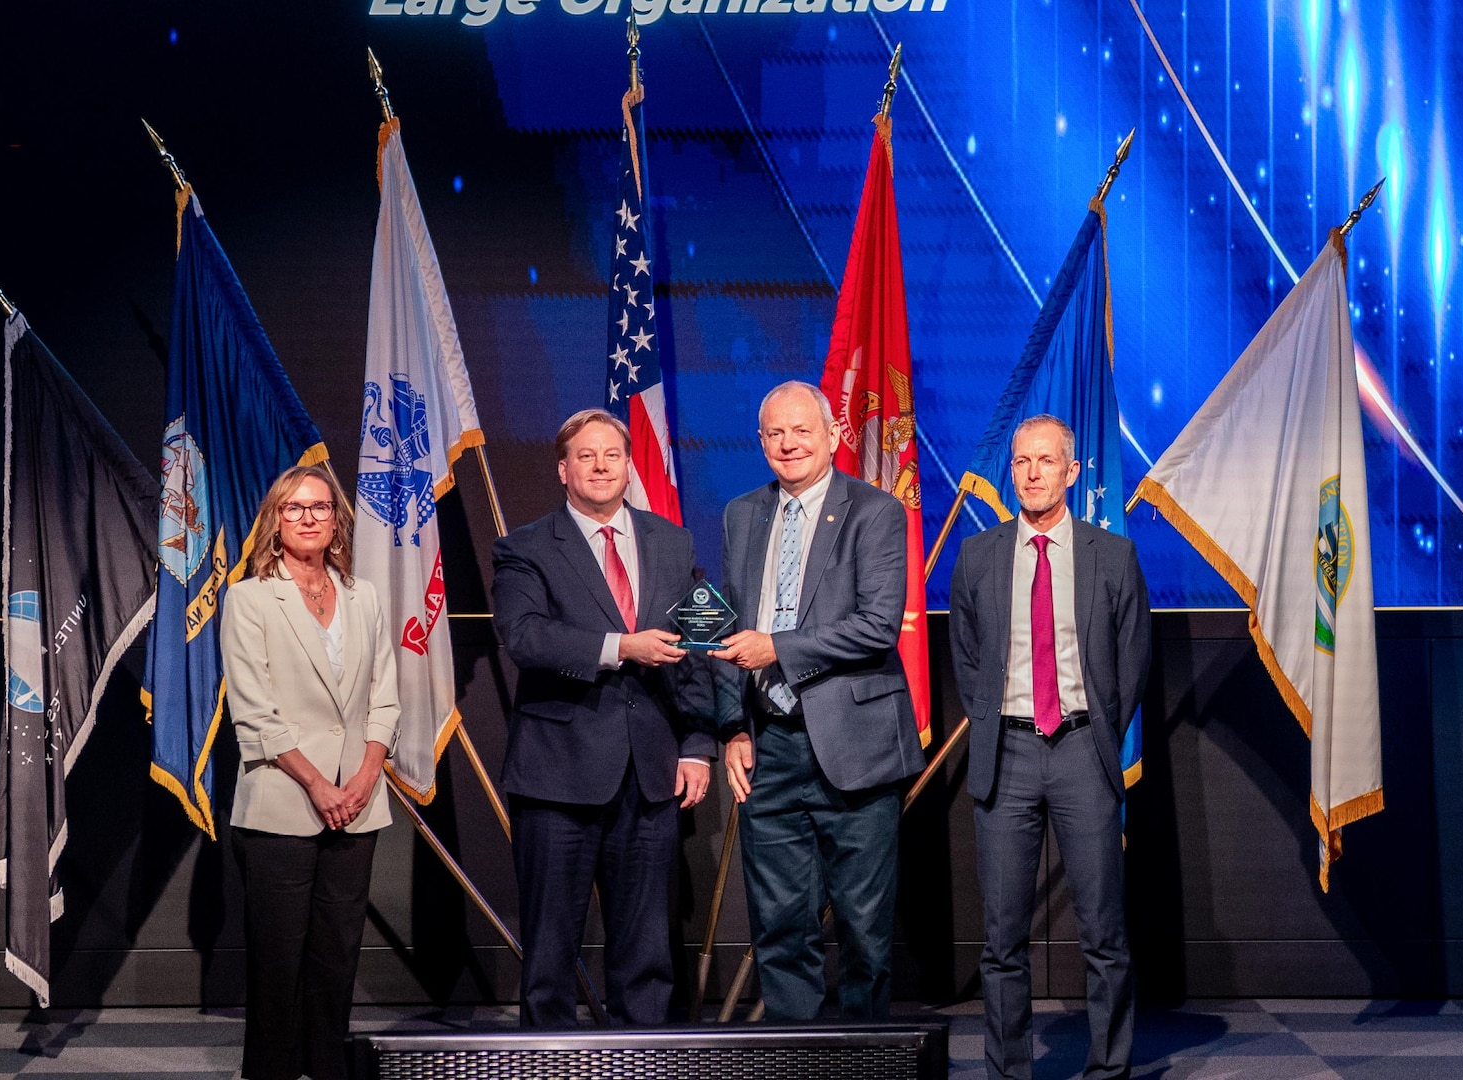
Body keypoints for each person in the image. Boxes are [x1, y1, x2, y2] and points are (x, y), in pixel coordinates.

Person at [492, 408, 715, 1028]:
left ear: (628, 465)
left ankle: (641, 1065)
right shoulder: (525, 547)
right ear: (563, 470)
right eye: (584, 456)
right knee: (550, 956)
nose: (599, 466)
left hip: (650, 776)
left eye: (611, 455)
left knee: (647, 956)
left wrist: (697, 745)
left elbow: (696, 649)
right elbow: (526, 637)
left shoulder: (672, 541)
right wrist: (622, 648)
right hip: (556, 776)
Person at [711, 380, 925, 1021]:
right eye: (775, 433)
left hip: (854, 748)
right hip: (768, 751)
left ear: (833, 435)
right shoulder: (741, 514)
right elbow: (727, 629)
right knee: (778, 926)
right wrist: (732, 727)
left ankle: (864, 1063)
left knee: (864, 931)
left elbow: (877, 625)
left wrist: (777, 647)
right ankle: (791, 1060)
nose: (789, 443)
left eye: (802, 429)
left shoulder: (876, 511)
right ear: (760, 442)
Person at [949, 414, 1151, 1080]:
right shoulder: (978, 556)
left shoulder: (1110, 554)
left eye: (1045, 461)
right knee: (1002, 939)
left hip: (1079, 754)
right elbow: (967, 657)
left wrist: (1095, 736)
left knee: (1103, 934)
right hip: (1003, 756)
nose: (1030, 473)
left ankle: (1108, 1070)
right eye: (1019, 462)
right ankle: (1009, 1072)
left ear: (1071, 471)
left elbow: (1131, 659)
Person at [220, 464, 400, 1080]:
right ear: (275, 519)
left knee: (336, 953)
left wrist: (365, 776)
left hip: (359, 800)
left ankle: (327, 1067)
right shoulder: (247, 599)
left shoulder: (364, 595)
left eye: (320, 508)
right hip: (282, 800)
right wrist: (319, 785)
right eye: (295, 508)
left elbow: (386, 697)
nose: (308, 518)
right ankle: (270, 1072)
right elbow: (255, 713)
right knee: (277, 959)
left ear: (336, 519)